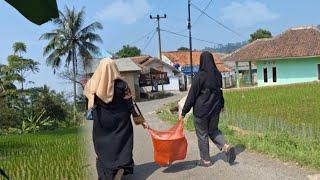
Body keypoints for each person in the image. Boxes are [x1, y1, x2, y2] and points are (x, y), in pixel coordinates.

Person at [84, 59, 147, 180]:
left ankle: (106, 175)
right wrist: (141, 121)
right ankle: (120, 167)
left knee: (103, 148)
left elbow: (88, 105)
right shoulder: (122, 85)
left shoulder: (92, 85)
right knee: (122, 143)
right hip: (121, 122)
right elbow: (131, 104)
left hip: (102, 123)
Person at [179, 51, 236, 167]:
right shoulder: (217, 75)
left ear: (202, 61)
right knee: (213, 130)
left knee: (202, 134)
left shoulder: (200, 76)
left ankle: (205, 160)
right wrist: (222, 105)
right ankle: (225, 146)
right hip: (215, 110)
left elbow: (192, 96)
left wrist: (184, 112)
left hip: (201, 112)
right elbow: (220, 92)